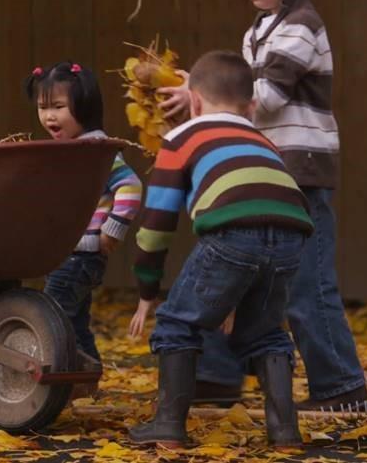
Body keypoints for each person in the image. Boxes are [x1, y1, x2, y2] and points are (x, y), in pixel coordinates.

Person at [156, 0, 367, 413]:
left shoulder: (302, 26)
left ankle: (341, 386)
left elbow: (266, 97)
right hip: (268, 171)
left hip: (301, 172)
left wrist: (202, 92)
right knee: (236, 273)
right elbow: (244, 105)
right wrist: (204, 92)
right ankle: (217, 375)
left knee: (308, 282)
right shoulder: (259, 29)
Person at [129, 50, 313, 449]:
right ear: (251, 106)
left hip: (232, 233)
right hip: (293, 232)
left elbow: (156, 225)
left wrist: (147, 288)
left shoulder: (181, 137)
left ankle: (168, 427)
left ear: (193, 101)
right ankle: (285, 433)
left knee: (176, 323)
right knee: (265, 331)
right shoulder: (264, 141)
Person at [25, 61, 143, 383]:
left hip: (81, 255)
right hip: (71, 255)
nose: (49, 117)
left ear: (85, 106)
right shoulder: (73, 149)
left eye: (58, 107)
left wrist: (112, 230)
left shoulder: (95, 151)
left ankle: (54, 381)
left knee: (51, 318)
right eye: (42, 108)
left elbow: (131, 186)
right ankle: (87, 382)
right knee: (74, 323)